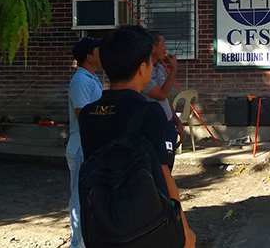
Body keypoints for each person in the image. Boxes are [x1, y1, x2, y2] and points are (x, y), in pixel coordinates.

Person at [79, 25, 195, 247]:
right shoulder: (150, 113)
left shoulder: (88, 114)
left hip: (103, 223)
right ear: (143, 68)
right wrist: (184, 229)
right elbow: (164, 174)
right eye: (150, 64)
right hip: (146, 221)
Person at [66, 37, 102, 248]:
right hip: (80, 146)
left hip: (89, 145)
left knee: (87, 195)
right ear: (89, 56)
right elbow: (84, 115)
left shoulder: (91, 78)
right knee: (78, 197)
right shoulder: (80, 81)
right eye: (98, 50)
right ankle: (77, 243)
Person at [142, 31, 185, 168]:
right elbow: (160, 94)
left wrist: (177, 122)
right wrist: (173, 70)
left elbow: (165, 98)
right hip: (154, 127)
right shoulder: (143, 72)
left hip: (168, 125)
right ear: (153, 48)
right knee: (160, 165)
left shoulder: (159, 68)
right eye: (163, 44)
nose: (165, 49)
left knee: (169, 161)